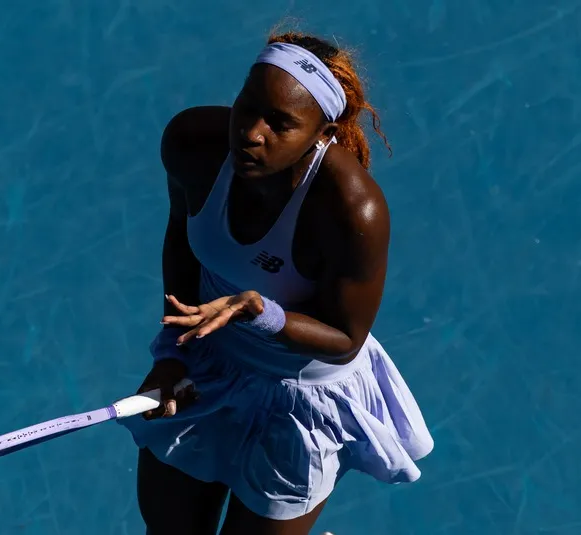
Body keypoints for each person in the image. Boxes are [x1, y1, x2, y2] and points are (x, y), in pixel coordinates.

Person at [119, 29, 434, 535]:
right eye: (247, 108)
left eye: (280, 123)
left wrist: (260, 311)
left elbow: (346, 340)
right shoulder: (193, 144)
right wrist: (171, 355)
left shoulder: (352, 208)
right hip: (209, 364)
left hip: (301, 399)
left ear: (320, 132)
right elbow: (181, 244)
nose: (250, 132)